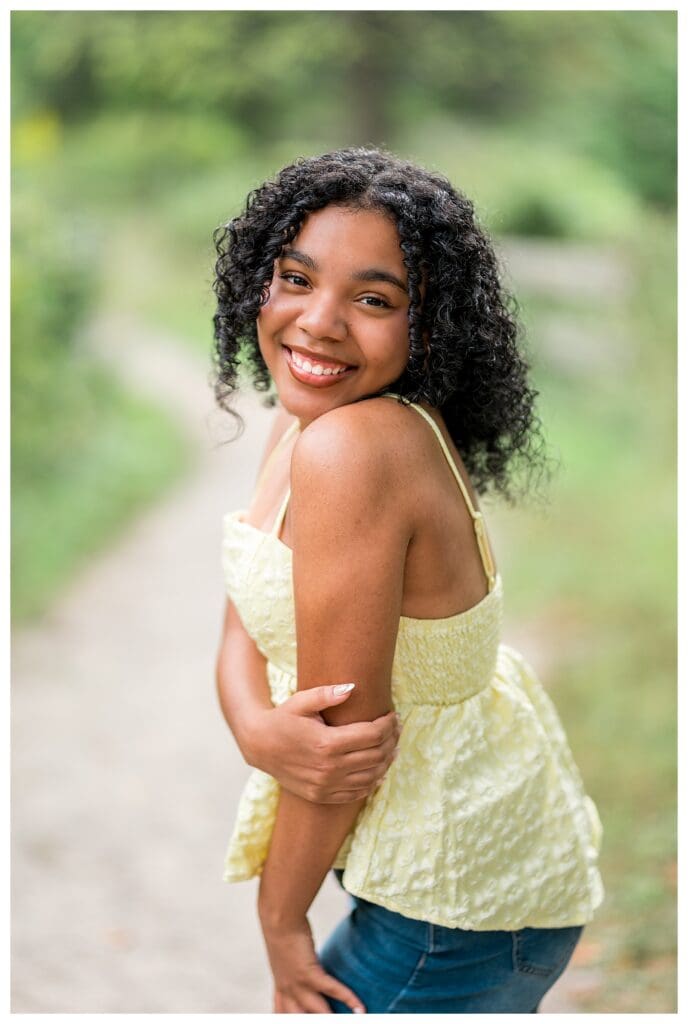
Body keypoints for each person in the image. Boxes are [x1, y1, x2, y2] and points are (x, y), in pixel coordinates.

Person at [213, 148, 604, 1014]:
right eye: (295, 277)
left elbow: (338, 756)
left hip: (452, 905)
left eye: (373, 299)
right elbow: (242, 622)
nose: (317, 322)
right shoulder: (307, 416)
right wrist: (254, 728)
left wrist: (280, 925)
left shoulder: (357, 449)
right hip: (430, 869)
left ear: (430, 329)